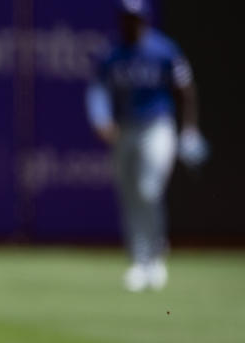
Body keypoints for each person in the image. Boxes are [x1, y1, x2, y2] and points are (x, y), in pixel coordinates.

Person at [85, 0, 208, 292]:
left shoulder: (164, 50)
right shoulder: (112, 55)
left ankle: (155, 256)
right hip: (125, 129)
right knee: (129, 194)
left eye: (135, 18)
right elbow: (98, 90)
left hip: (157, 127)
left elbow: (185, 90)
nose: (130, 23)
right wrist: (100, 118)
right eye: (126, 18)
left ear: (144, 20)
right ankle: (139, 261)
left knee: (148, 189)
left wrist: (189, 130)